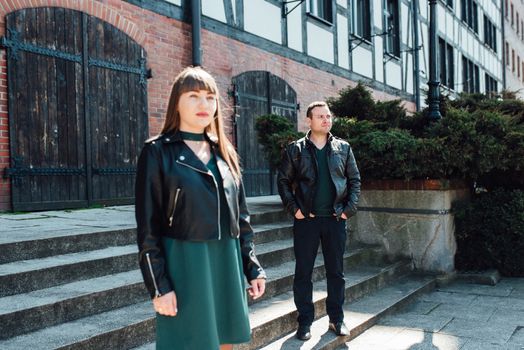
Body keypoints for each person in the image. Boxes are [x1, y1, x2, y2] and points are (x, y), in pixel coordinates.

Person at [135, 66, 266, 350]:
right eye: (193, 96)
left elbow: (241, 220)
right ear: (177, 103)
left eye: (210, 97)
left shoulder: (225, 152)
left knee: (225, 342)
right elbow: (148, 228)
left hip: (226, 262)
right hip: (185, 263)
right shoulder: (157, 152)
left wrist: (252, 269)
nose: (203, 104)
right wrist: (159, 287)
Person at [277, 101, 361, 341]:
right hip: (307, 221)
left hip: (335, 219)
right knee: (303, 273)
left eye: (328, 116)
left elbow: (354, 180)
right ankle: (304, 323)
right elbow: (283, 181)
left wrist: (348, 210)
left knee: (337, 272)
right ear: (309, 121)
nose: (326, 120)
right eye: (320, 116)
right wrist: (295, 210)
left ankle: (337, 319)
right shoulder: (296, 149)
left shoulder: (343, 148)